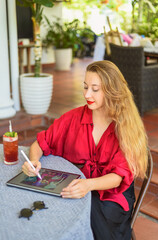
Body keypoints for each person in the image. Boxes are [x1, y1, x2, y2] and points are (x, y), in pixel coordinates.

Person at [22, 60, 148, 240]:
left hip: (112, 195)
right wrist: (34, 160)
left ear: (112, 91)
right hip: (80, 185)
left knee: (86, 218)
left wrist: (88, 185)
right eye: (85, 87)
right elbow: (40, 143)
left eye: (95, 89)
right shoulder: (73, 118)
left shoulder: (125, 127)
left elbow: (117, 177)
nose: (87, 94)